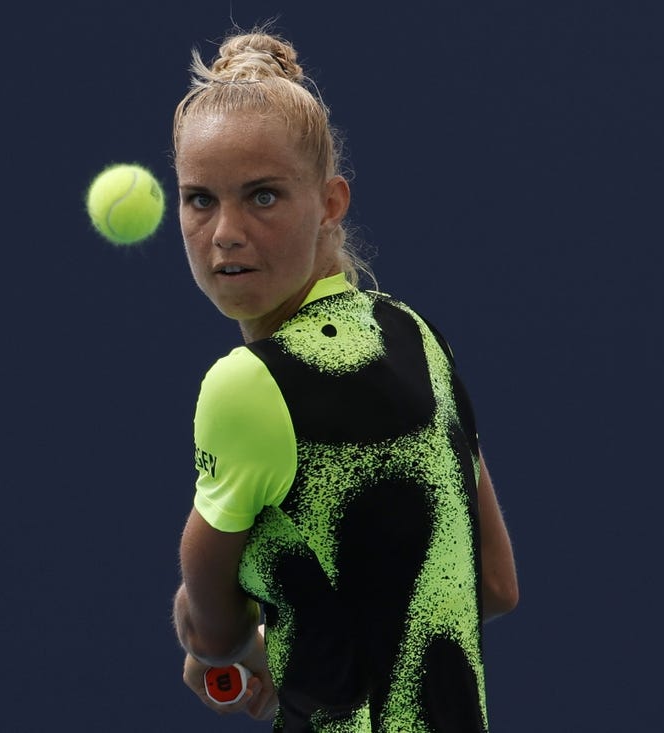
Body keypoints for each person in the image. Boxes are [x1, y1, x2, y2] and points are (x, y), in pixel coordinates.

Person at [169, 26, 519, 732]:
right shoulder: (418, 335)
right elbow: (493, 582)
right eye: (200, 199)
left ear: (330, 202)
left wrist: (225, 643)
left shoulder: (245, 386)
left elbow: (208, 632)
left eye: (262, 197)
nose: (225, 232)